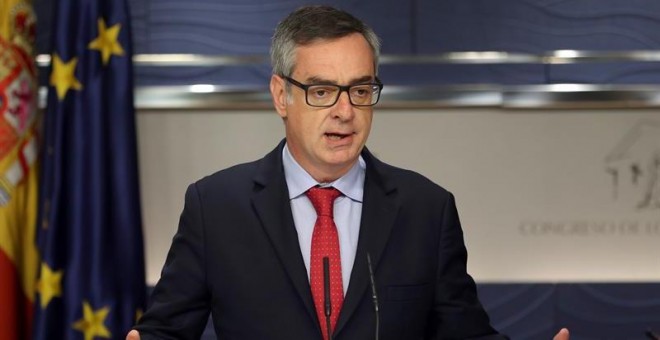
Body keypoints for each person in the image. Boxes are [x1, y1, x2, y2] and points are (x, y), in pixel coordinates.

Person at [128, 5, 570, 340]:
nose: (345, 111)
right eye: (322, 91)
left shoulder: (425, 209)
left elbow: (464, 333)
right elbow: (167, 330)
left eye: (360, 90)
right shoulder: (217, 207)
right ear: (281, 96)